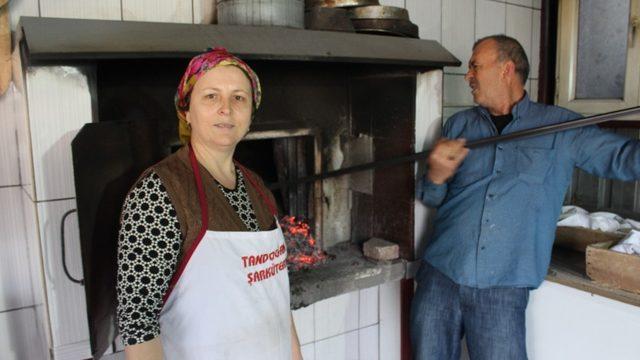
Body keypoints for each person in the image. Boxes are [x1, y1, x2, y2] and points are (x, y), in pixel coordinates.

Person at [411, 34, 640, 359]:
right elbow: (431, 198)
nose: (468, 76)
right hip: (440, 276)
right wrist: (435, 175)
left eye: (475, 66)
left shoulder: (561, 128)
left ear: (506, 70)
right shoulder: (459, 124)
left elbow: (625, 159)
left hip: (503, 288)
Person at [116, 47, 303, 359]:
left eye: (239, 98)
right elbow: (138, 322)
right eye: (211, 96)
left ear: (251, 114)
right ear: (187, 111)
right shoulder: (158, 192)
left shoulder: (258, 188)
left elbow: (277, 297)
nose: (226, 109)